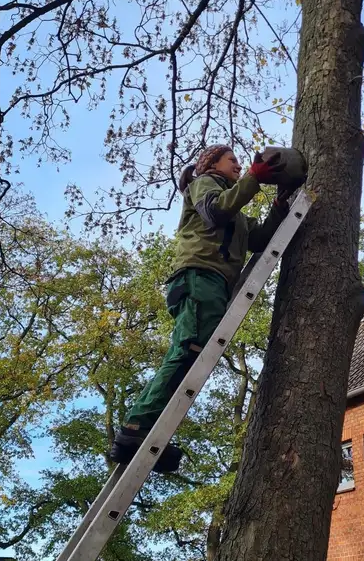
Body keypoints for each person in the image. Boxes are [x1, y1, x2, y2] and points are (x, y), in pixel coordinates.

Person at [107, 144, 303, 470]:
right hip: (199, 277)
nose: (240, 166)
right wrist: (255, 177)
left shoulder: (236, 211)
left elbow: (260, 239)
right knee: (188, 350)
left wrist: (281, 206)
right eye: (233, 161)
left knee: (190, 353)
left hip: (213, 284)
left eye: (242, 163)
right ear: (211, 164)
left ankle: (143, 428)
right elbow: (215, 212)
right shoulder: (203, 186)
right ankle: (135, 428)